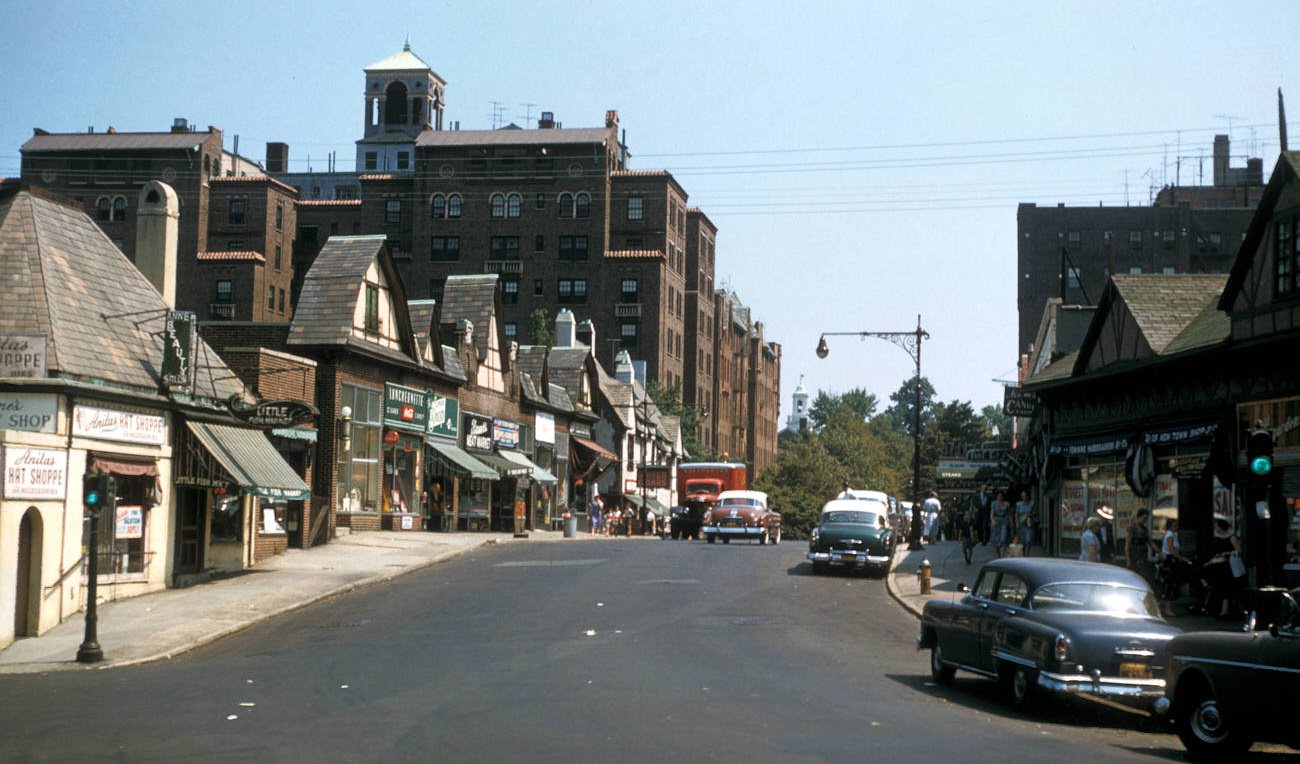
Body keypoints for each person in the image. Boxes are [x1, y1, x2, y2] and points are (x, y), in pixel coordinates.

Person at [1202, 518, 1245, 619]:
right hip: (1219, 565)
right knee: (1220, 588)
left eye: (1217, 526)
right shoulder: (1217, 538)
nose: (1215, 528)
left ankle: (1228, 610)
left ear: (1221, 527)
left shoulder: (1231, 538)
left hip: (1228, 566)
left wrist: (1228, 553)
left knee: (1227, 588)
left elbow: (1239, 550)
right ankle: (1221, 609)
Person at [1158, 518, 1190, 616]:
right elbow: (1171, 550)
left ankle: (1166, 607)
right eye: (1175, 525)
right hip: (1170, 561)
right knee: (1169, 584)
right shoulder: (1170, 536)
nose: (1177, 527)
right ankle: (1167, 608)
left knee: (1170, 584)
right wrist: (1181, 558)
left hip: (1172, 560)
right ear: (1171, 526)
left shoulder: (1171, 535)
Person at [1125, 508, 1158, 586]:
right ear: (1138, 517)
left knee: (1143, 573)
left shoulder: (1144, 529)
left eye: (1146, 519)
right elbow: (1127, 545)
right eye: (1144, 518)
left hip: (1143, 554)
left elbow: (1150, 542)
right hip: (1135, 554)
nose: (1145, 521)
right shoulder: (1132, 528)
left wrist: (1158, 550)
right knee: (1137, 574)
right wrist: (1128, 559)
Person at [990, 490, 1012, 557]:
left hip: (1004, 520)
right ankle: (998, 555)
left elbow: (1009, 514)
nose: (1000, 497)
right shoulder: (994, 503)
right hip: (996, 520)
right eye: (998, 496)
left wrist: (1011, 523)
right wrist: (993, 520)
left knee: (1003, 538)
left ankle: (1002, 555)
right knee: (996, 539)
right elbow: (992, 514)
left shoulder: (1007, 504)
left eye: (1001, 496)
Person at [1015, 490, 1035, 555]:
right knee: (1022, 541)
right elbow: (1017, 514)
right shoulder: (1019, 504)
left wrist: (1029, 515)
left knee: (1028, 540)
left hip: (1029, 523)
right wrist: (1017, 523)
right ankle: (1023, 554)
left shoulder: (1032, 503)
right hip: (1021, 523)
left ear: (1028, 496)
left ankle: (1027, 554)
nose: (1024, 497)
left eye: (1025, 496)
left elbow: (1035, 512)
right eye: (1022, 496)